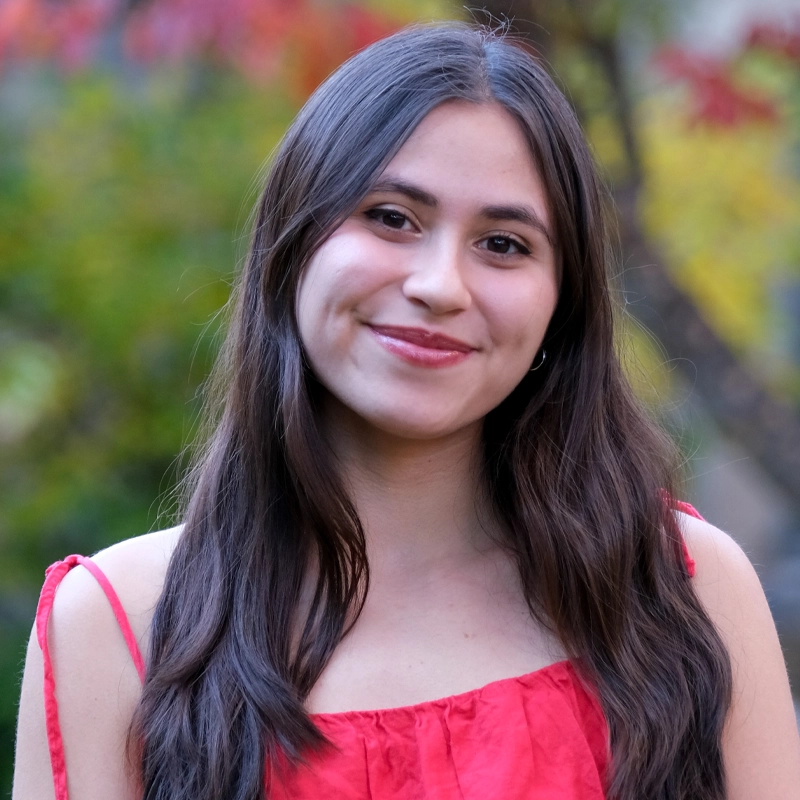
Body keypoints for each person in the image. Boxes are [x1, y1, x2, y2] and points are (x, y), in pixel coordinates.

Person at [12, 21, 800, 800]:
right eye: (391, 217)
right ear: (293, 245)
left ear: (562, 305)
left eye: (504, 244)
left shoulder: (683, 589)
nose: (440, 286)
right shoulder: (119, 627)